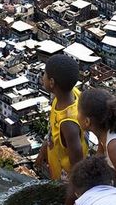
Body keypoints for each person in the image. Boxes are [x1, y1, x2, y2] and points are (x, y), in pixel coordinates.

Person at [35, 53, 88, 181]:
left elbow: (77, 164)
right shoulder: (69, 93)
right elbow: (52, 132)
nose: (42, 77)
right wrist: (43, 151)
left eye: (45, 74)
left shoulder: (68, 123)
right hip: (55, 166)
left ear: (52, 82)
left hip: (66, 182)